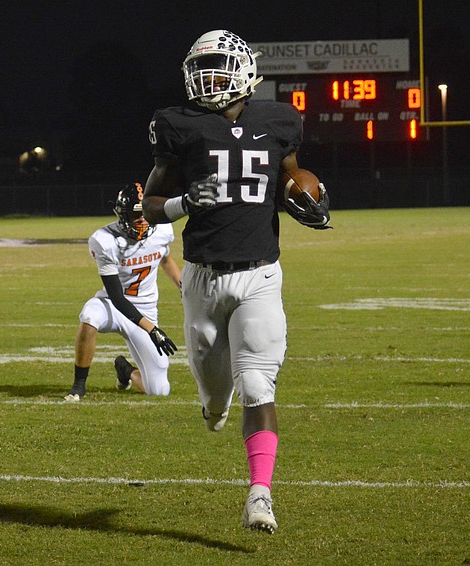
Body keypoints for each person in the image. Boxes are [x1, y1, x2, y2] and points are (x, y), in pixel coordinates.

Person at [142, 30, 331, 534]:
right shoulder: (177, 126)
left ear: (246, 71)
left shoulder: (278, 121)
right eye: (201, 70)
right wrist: (185, 203)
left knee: (257, 384)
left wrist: (305, 201)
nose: (208, 79)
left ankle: (260, 495)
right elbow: (150, 204)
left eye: (219, 68)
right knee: (215, 395)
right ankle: (212, 407)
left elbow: (291, 176)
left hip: (259, 276)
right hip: (202, 279)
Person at [64, 183, 181, 402]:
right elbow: (117, 297)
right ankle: (78, 385)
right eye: (136, 215)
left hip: (146, 308)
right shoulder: (105, 240)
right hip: (112, 304)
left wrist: (183, 287)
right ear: (122, 215)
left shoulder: (162, 230)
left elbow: (165, 257)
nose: (143, 219)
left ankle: (126, 370)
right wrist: (153, 329)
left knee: (159, 389)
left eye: (145, 213)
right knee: (89, 317)